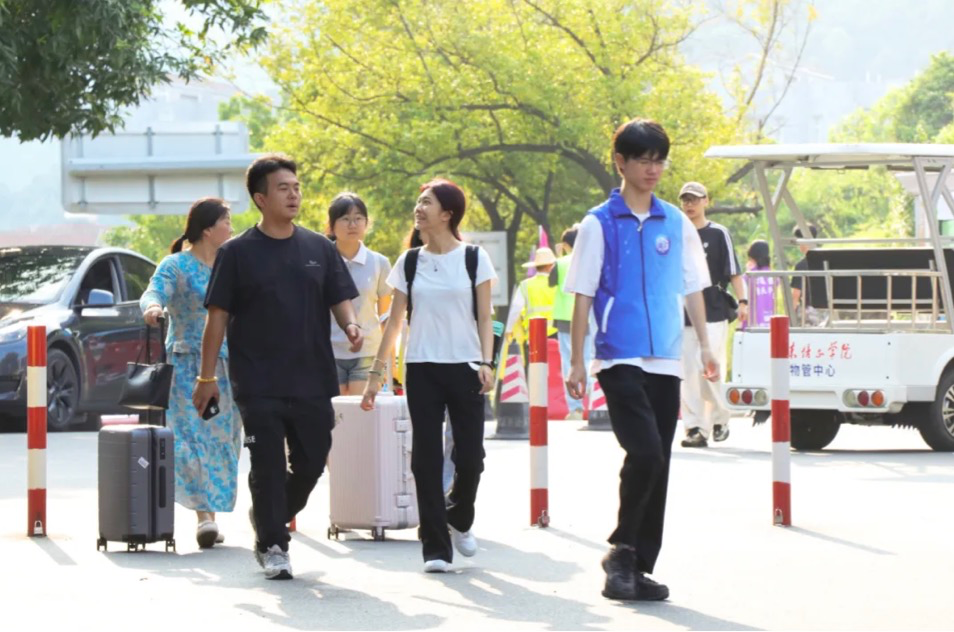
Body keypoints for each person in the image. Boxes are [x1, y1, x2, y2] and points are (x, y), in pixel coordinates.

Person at [564, 118, 717, 602]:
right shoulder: (598, 223)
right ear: (621, 162)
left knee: (660, 461)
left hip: (667, 357)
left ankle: (635, 564)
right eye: (643, 160)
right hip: (619, 356)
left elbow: (693, 286)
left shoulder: (675, 221)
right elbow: (582, 293)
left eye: (659, 160)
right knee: (646, 451)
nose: (653, 169)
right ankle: (621, 551)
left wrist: (706, 345)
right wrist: (577, 360)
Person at [193, 154, 363, 580]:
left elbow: (339, 297)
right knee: (267, 463)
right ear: (260, 198)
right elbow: (217, 318)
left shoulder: (319, 248)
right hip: (257, 381)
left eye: (296, 187)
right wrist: (206, 378)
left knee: (312, 460)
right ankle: (273, 544)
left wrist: (351, 324)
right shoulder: (236, 253)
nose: (293, 195)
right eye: (283, 188)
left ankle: (269, 515)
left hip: (312, 376)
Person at [361, 178, 497, 574]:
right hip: (421, 367)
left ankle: (459, 515)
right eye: (418, 202)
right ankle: (435, 547)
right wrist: (375, 376)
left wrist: (487, 362)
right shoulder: (409, 262)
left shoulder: (474, 258)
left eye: (427, 203)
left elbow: (485, 316)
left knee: (470, 457)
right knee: (425, 458)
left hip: (466, 366)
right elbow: (394, 323)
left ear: (447, 213)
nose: (419, 209)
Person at [140, 197, 241, 549]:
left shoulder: (231, 264)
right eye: (226, 221)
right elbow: (154, 290)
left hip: (227, 366)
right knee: (189, 437)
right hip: (186, 366)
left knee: (225, 437)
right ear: (208, 229)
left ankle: (210, 509)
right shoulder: (177, 265)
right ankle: (204, 517)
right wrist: (153, 307)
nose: (232, 228)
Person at [677, 182, 747, 448]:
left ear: (706, 201)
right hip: (683, 311)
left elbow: (734, 271)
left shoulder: (718, 233)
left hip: (714, 308)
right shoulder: (676, 233)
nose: (690, 204)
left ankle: (720, 418)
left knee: (708, 366)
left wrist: (743, 301)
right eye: (685, 200)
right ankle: (695, 427)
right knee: (688, 372)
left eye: (695, 199)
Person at [327, 192, 392, 395]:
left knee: (360, 409)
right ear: (332, 225)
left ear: (366, 223)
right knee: (335, 412)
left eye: (358, 218)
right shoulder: (321, 261)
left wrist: (388, 360)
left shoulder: (379, 262)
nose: (352, 225)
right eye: (345, 219)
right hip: (328, 351)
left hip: (368, 352)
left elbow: (386, 317)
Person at [550, 226, 594, 420]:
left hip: (565, 320)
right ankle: (594, 399)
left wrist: (559, 255)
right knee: (588, 359)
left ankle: (575, 408)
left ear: (566, 245)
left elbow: (551, 282)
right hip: (587, 318)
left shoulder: (559, 263)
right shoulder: (589, 260)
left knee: (570, 362)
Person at [504, 246, 558, 344]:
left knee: (535, 355)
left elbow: (516, 308)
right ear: (549, 266)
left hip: (534, 332)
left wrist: (508, 329)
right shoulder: (558, 283)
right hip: (556, 332)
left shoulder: (525, 285)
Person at [790, 223, 828, 325]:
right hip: (826, 312)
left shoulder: (801, 266)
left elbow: (795, 295)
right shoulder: (825, 261)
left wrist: (789, 316)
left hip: (809, 313)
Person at [742, 239, 777, 329]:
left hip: (752, 323)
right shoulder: (774, 276)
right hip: (770, 323)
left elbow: (743, 298)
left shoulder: (748, 276)